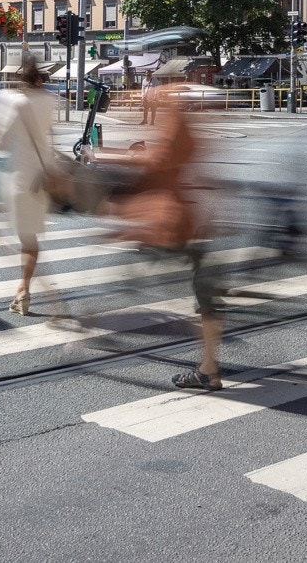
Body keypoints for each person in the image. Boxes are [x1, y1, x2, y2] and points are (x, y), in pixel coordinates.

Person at [105, 85, 218, 390]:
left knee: (204, 296)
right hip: (193, 217)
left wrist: (122, 158)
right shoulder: (181, 120)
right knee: (204, 294)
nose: (150, 95)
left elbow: (164, 158)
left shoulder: (177, 120)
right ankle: (209, 368)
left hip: (183, 221)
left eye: (156, 91)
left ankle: (209, 370)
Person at [0, 52, 60, 316]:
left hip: (17, 178)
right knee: (30, 239)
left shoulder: (13, 103)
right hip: (41, 178)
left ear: (19, 78)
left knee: (8, 237)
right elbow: (49, 136)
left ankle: (23, 289)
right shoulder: (49, 101)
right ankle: (23, 288)